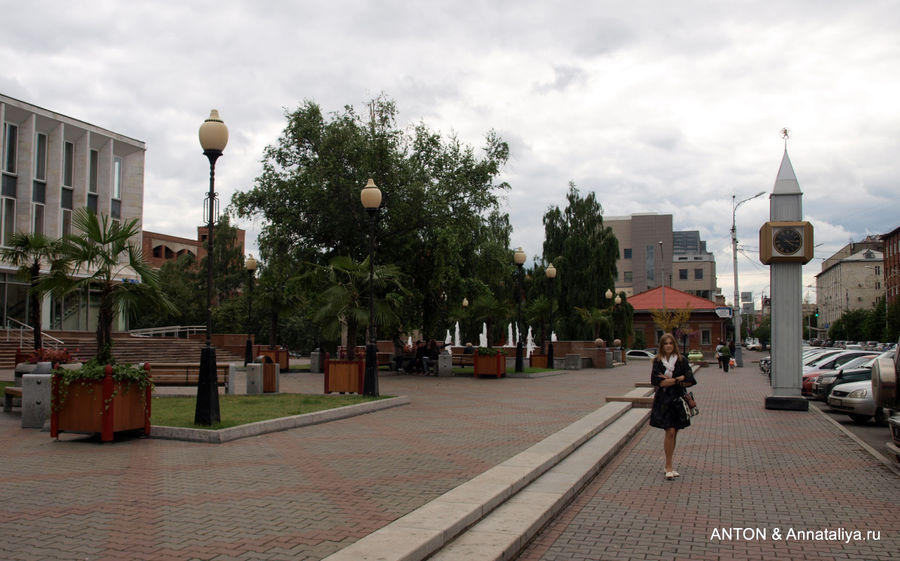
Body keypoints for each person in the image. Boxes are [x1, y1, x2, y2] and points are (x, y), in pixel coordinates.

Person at [649, 333, 696, 480]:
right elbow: (657, 382)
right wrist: (678, 379)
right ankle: (669, 466)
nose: (668, 345)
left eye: (670, 343)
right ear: (661, 346)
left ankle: (668, 464)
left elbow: (690, 380)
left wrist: (671, 380)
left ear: (674, 344)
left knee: (675, 432)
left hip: (678, 400)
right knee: (669, 431)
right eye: (665, 343)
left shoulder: (682, 360)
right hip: (664, 400)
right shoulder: (657, 362)